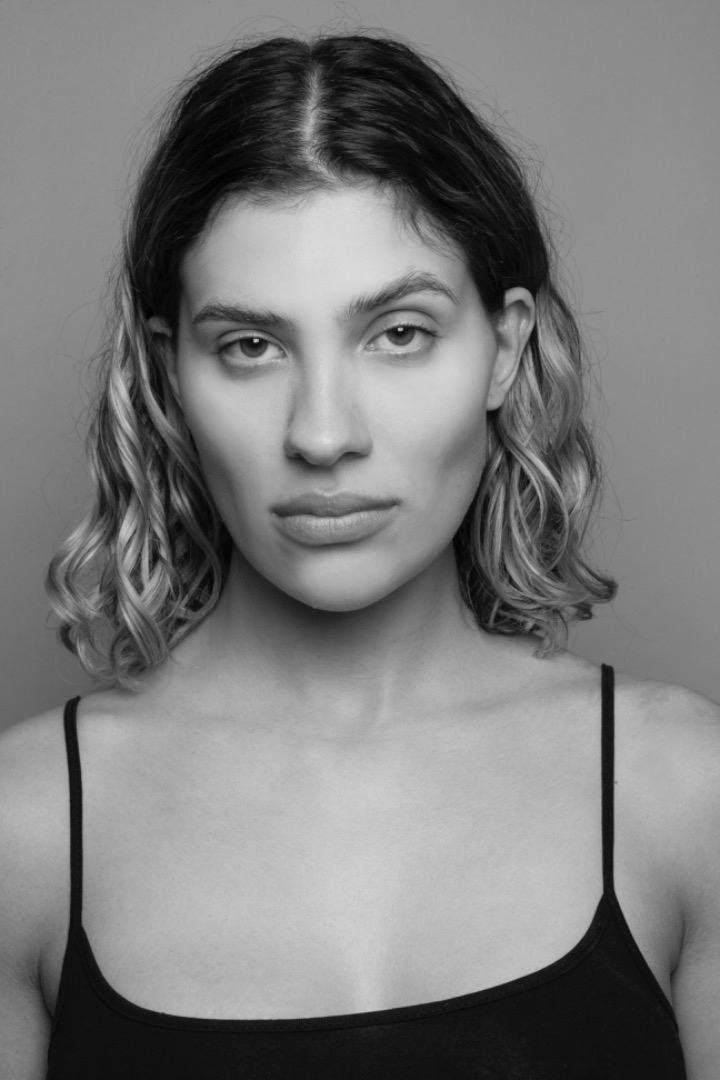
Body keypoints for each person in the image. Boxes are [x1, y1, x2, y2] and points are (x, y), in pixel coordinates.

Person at [1, 30, 718, 1079]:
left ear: (504, 348)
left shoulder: (686, 794)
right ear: (169, 376)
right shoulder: (22, 834)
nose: (324, 434)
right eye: (251, 346)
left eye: (399, 334)